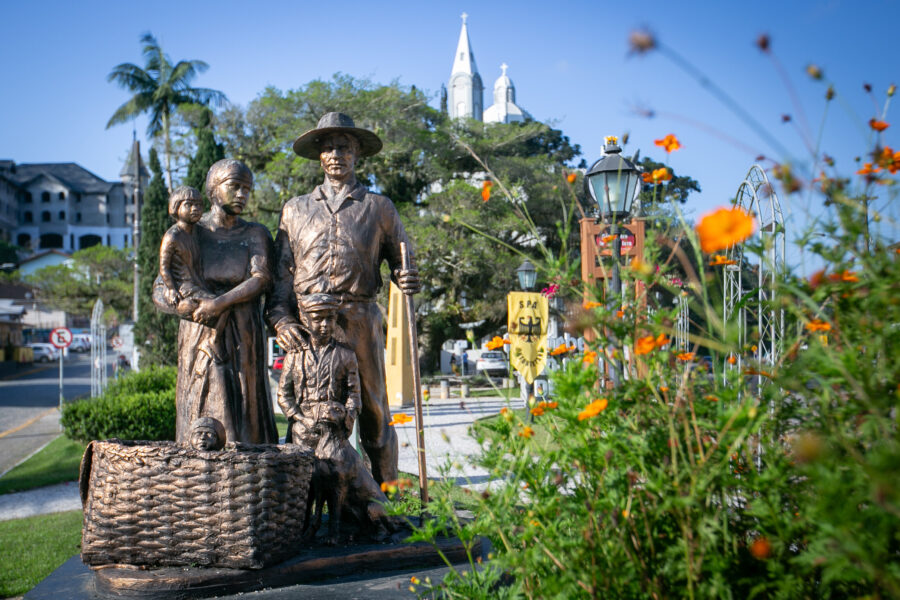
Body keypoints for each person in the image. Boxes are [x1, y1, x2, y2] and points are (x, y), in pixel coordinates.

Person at [266, 112, 420, 484]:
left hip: (359, 318)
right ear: (319, 155)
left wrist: (407, 276)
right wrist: (282, 320)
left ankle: (387, 499)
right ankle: (299, 503)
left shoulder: (379, 207)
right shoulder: (295, 209)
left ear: (357, 155)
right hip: (308, 323)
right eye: (329, 147)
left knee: (373, 411)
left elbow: (402, 262)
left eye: (344, 147)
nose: (336, 154)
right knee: (303, 413)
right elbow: (281, 276)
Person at [153, 159, 277, 445]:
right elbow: (161, 285)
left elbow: (261, 279)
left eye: (247, 188)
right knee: (201, 408)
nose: (242, 194)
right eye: (234, 186)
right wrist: (181, 307)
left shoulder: (255, 233)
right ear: (212, 189)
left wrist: (220, 303)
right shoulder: (190, 232)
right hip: (199, 333)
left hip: (243, 335)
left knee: (245, 420)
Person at [276, 293, 361, 448]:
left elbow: (354, 395)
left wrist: (346, 419)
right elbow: (283, 395)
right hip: (303, 430)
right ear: (305, 319)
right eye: (318, 319)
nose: (325, 324)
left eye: (330, 318)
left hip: (335, 431)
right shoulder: (295, 356)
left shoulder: (346, 355)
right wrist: (302, 419)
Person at [158, 185, 227, 360]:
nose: (195, 209)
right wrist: (171, 289)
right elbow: (164, 267)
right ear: (176, 207)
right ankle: (212, 341)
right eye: (189, 204)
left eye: (198, 204)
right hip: (185, 287)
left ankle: (213, 339)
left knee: (223, 303)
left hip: (197, 284)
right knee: (222, 305)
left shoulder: (198, 232)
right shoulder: (172, 236)